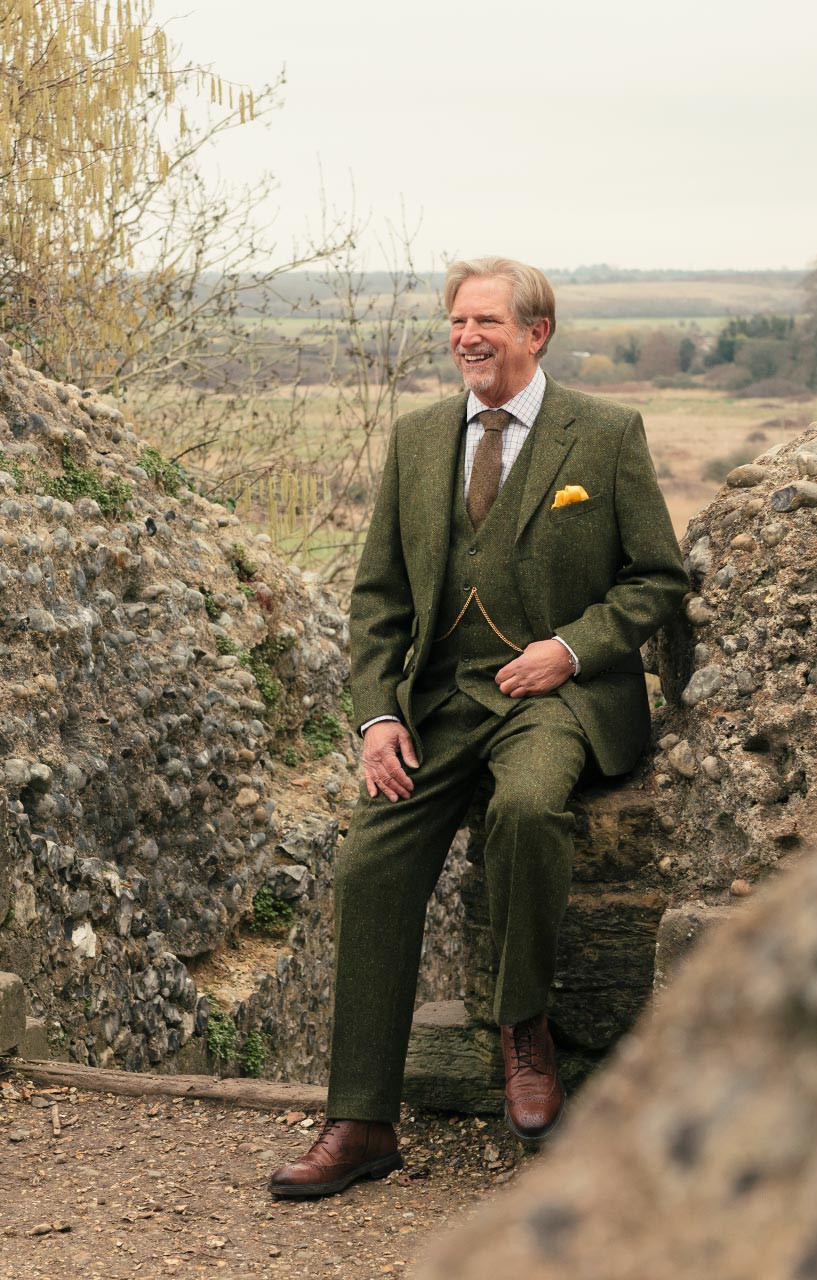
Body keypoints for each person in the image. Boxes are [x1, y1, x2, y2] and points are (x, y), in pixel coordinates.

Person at [269, 257, 688, 1199]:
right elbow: (377, 599)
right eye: (458, 321)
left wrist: (571, 650)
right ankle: (362, 1120)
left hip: (553, 699)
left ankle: (523, 1026)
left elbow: (657, 579)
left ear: (536, 333)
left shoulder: (608, 435)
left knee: (530, 812)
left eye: (487, 321)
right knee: (369, 861)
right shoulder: (418, 440)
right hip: (441, 701)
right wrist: (378, 717)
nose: (467, 337)